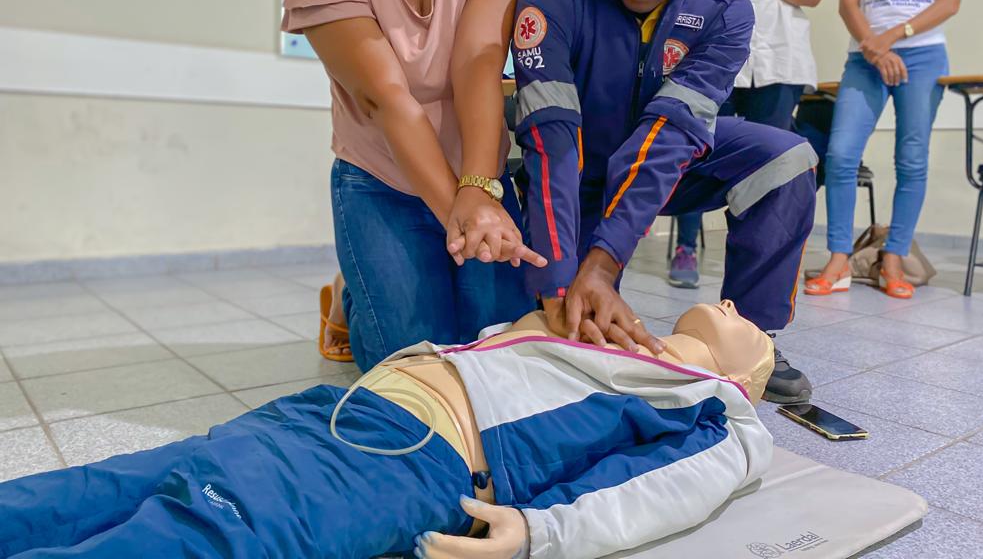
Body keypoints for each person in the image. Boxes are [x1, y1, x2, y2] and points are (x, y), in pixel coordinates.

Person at [0, 301, 775, 559]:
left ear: (750, 380)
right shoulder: (619, 330)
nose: (735, 307)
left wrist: (541, 531)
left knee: (201, 534)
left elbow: (667, 489)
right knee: (107, 486)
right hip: (338, 412)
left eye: (751, 323)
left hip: (409, 459)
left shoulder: (722, 408)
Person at [511, 0, 818, 404]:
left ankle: (751, 336)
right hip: (572, 175)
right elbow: (551, 143)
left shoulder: (725, 11)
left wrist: (601, 265)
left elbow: (671, 137)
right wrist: (560, 279)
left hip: (662, 170)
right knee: (544, 333)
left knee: (787, 158)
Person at [282, 0, 545, 370]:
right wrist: (462, 211)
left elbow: (477, 63)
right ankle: (354, 291)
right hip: (381, 183)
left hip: (480, 180)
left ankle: (373, 276)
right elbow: (387, 99)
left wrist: (480, 189)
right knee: (418, 362)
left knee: (501, 347)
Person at [806, 0, 971, 299]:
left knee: (911, 160)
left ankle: (892, 259)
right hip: (865, 57)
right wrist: (875, 51)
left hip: (923, 56)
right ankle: (839, 258)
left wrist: (893, 36)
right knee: (840, 155)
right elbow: (847, 4)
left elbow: (948, 2)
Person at [670, 0, 824, 288]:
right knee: (693, 146)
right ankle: (685, 248)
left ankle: (756, 264)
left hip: (779, 61)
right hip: (713, 55)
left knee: (770, 163)